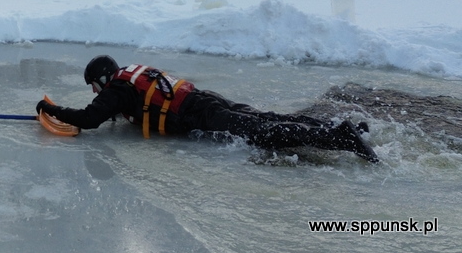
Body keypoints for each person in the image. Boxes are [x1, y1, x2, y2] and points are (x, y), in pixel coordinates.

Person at [36, 55, 379, 163]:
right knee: (267, 118)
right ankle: (336, 127)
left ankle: (341, 138)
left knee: (261, 132)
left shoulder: (116, 89)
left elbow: (89, 120)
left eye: (94, 86)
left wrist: (51, 109)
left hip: (197, 113)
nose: (95, 92)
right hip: (204, 99)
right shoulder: (130, 79)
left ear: (102, 79)